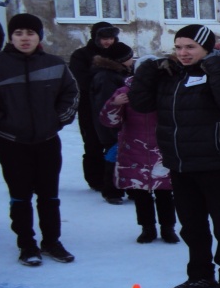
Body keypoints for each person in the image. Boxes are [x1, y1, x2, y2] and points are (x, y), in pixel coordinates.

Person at [129, 24, 220, 288]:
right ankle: (200, 274)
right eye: (179, 47)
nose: (183, 53)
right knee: (191, 225)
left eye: (190, 47)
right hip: (180, 163)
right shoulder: (172, 76)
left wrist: (216, 65)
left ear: (206, 48)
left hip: (216, 162)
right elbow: (141, 104)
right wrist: (146, 73)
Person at [0, 14, 79, 266]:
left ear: (39, 36)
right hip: (12, 142)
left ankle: (52, 241)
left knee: (49, 195)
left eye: (30, 33)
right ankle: (27, 245)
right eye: (19, 33)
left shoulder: (54, 64)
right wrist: (5, 123)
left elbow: (71, 93)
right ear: (11, 37)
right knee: (20, 197)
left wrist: (57, 120)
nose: (25, 38)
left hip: (47, 140)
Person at [99, 68, 179, 244]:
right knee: (141, 194)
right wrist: (115, 103)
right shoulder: (125, 92)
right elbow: (109, 121)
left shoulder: (166, 90)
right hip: (134, 148)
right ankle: (147, 228)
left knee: (165, 192)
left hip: (162, 149)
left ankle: (168, 228)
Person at [70, 21, 121, 193]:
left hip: (115, 106)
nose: (108, 42)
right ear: (95, 38)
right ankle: (95, 180)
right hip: (88, 106)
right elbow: (80, 80)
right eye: (104, 38)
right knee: (92, 143)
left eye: (111, 38)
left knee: (115, 143)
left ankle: (115, 178)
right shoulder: (81, 55)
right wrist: (104, 74)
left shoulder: (119, 53)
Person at [89, 41, 135, 205]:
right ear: (121, 59)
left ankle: (129, 188)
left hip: (118, 125)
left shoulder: (120, 73)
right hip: (111, 127)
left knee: (125, 157)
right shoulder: (107, 77)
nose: (133, 60)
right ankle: (111, 191)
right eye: (130, 57)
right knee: (113, 157)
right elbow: (106, 103)